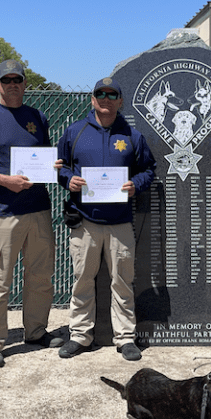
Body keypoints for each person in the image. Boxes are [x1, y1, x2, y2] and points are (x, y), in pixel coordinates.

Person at [0, 59, 64, 369]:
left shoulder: (37, 117)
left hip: (38, 210)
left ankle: (35, 332)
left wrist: (52, 166)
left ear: (24, 83)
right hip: (2, 214)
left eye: (17, 79)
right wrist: (6, 181)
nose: (12, 84)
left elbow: (44, 159)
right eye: (6, 80)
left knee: (40, 277)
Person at [57, 77, 156, 361]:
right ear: (92, 99)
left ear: (120, 101)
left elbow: (149, 169)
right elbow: (59, 167)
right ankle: (79, 335)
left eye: (112, 94)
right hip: (85, 221)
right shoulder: (75, 132)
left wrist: (136, 183)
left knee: (122, 282)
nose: (106, 98)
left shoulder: (132, 135)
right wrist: (68, 180)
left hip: (120, 222)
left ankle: (125, 337)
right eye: (100, 93)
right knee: (82, 281)